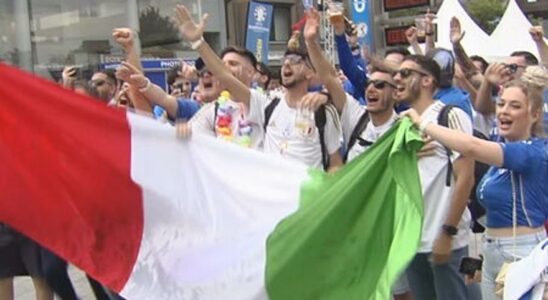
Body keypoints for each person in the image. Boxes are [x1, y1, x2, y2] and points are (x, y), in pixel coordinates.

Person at [402, 65, 548, 300]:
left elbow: (471, 146)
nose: (504, 111)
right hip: (490, 250)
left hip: (522, 252)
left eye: (515, 106)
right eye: (501, 104)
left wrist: (424, 124)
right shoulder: (499, 147)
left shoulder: (533, 152)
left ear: (535, 115)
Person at [393, 55, 480, 300]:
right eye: (397, 73)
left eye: (406, 73)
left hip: (455, 242)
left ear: (427, 80)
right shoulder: (403, 123)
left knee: (469, 294)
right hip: (413, 242)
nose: (397, 78)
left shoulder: (449, 116)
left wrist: (447, 233)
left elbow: (466, 178)